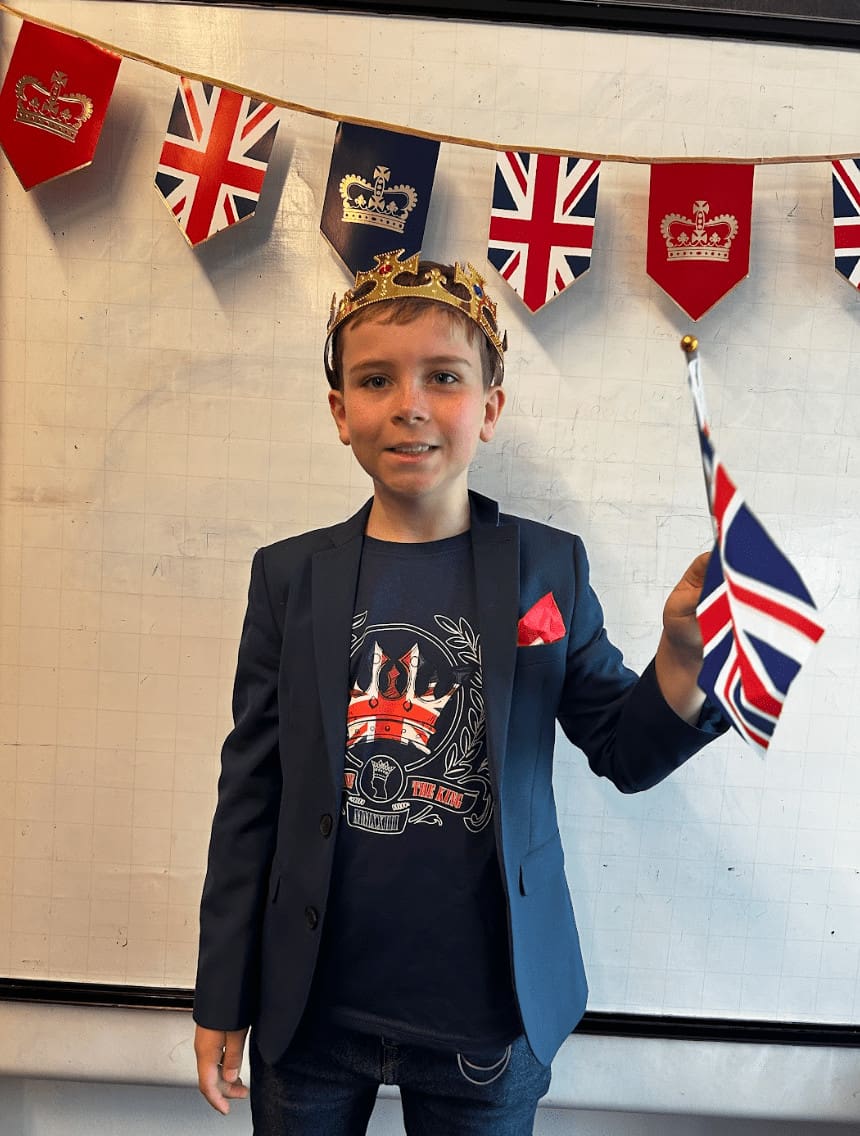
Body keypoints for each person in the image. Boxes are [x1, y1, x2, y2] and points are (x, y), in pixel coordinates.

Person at [193, 248, 727, 1134]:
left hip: (487, 1021)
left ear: (490, 407)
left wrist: (684, 656)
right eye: (376, 380)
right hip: (309, 1015)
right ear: (340, 411)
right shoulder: (289, 578)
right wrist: (222, 991)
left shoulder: (546, 568)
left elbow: (625, 752)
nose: (409, 404)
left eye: (443, 376)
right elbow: (250, 795)